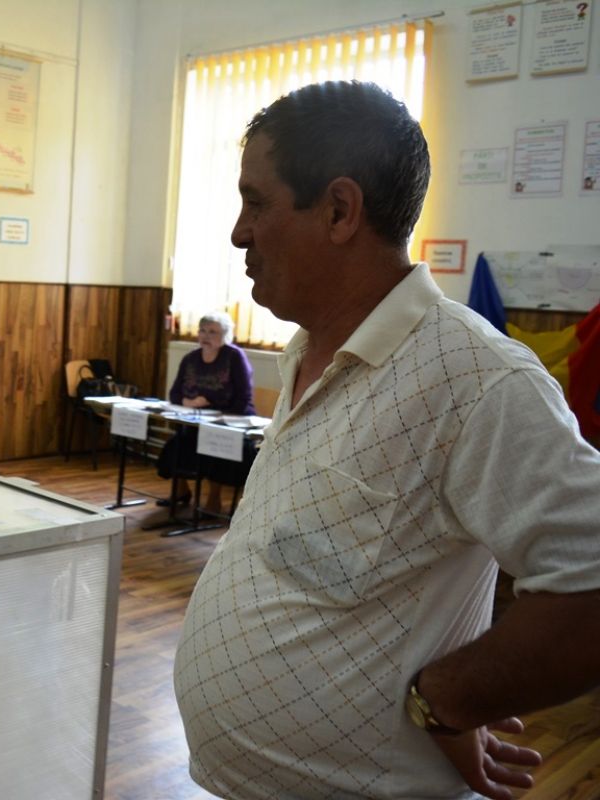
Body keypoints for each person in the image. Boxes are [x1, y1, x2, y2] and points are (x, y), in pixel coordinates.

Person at [173, 80, 600, 800]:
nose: (239, 233)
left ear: (340, 210)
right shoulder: (306, 347)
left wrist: (448, 701)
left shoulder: (477, 379)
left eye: (256, 202)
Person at [155, 311, 255, 511]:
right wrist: (187, 402)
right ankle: (181, 491)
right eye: (202, 330)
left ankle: (214, 500)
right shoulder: (190, 358)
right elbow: (174, 393)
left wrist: (216, 412)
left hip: (230, 421)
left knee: (214, 448)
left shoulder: (234, 357)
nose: (206, 336)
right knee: (176, 445)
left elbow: (243, 398)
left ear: (225, 335)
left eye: (212, 332)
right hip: (196, 419)